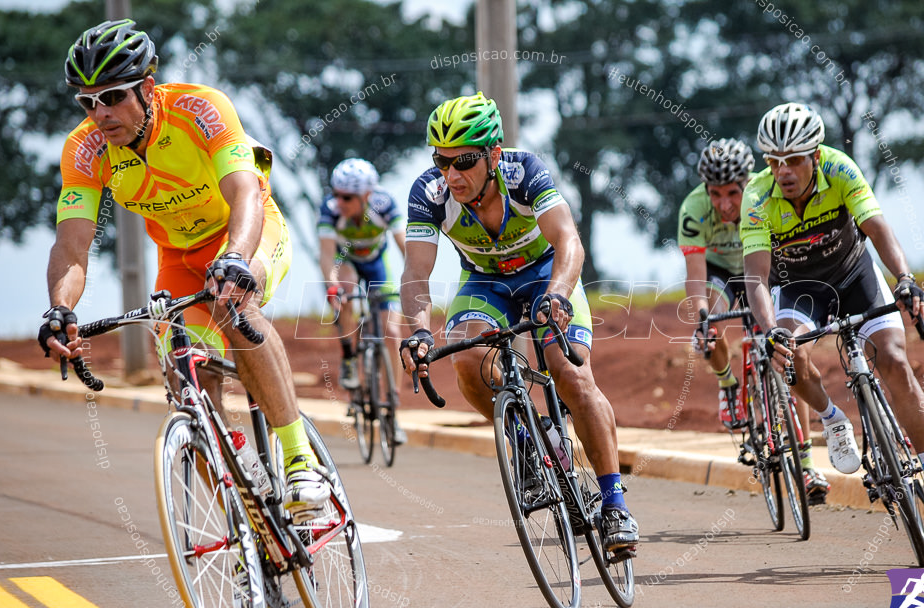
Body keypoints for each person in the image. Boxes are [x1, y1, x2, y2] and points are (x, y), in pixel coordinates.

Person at [38, 19, 330, 520]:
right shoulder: (85, 151)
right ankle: (244, 515)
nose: (99, 113)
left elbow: (243, 191)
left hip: (246, 230)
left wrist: (237, 256)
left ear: (147, 88)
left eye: (112, 96)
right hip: (178, 256)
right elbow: (72, 243)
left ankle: (301, 461)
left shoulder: (200, 109)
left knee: (235, 304)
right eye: (87, 102)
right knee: (181, 368)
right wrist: (59, 309)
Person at [398, 92, 639, 553]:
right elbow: (415, 273)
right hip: (485, 284)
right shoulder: (429, 193)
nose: (451, 174)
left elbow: (568, 240)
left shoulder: (524, 171)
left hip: (546, 276)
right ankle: (527, 444)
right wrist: (419, 331)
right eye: (441, 161)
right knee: (466, 360)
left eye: (464, 161)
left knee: (570, 374)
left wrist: (559, 296)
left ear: (492, 155)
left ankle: (614, 504)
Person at [740, 102, 924, 524]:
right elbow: (756, 277)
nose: (783, 171)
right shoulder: (756, 196)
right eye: (774, 161)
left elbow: (877, 227)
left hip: (853, 274)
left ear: (815, 156)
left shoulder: (841, 169)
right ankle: (832, 418)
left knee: (895, 360)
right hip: (801, 288)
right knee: (791, 353)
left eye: (792, 160)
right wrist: (770, 330)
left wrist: (903, 277)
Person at [680, 138, 831, 504]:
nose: (725, 204)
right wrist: (703, 318)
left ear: (748, 181)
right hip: (720, 274)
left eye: (733, 192)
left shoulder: (765, 195)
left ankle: (808, 464)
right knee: (711, 320)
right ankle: (728, 385)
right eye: (715, 194)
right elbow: (696, 278)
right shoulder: (693, 208)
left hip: (763, 271)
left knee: (787, 357)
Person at [317, 157, 407, 443]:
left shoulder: (384, 204)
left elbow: (404, 243)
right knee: (344, 292)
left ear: (367, 195)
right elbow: (327, 255)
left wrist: (413, 278)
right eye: (336, 193)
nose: (339, 201)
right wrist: (332, 287)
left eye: (347, 196)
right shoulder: (330, 211)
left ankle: (392, 406)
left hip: (377, 262)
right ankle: (348, 358)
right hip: (347, 261)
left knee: (392, 331)